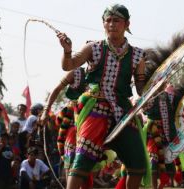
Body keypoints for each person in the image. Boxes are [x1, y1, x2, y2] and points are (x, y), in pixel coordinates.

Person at [57, 4, 146, 189]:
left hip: (123, 111)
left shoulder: (138, 55)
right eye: (108, 21)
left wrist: (155, 86)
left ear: (127, 23)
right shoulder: (93, 47)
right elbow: (68, 65)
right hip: (95, 106)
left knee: (138, 164)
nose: (112, 24)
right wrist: (67, 50)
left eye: (117, 20)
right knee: (83, 159)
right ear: (103, 24)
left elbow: (140, 88)